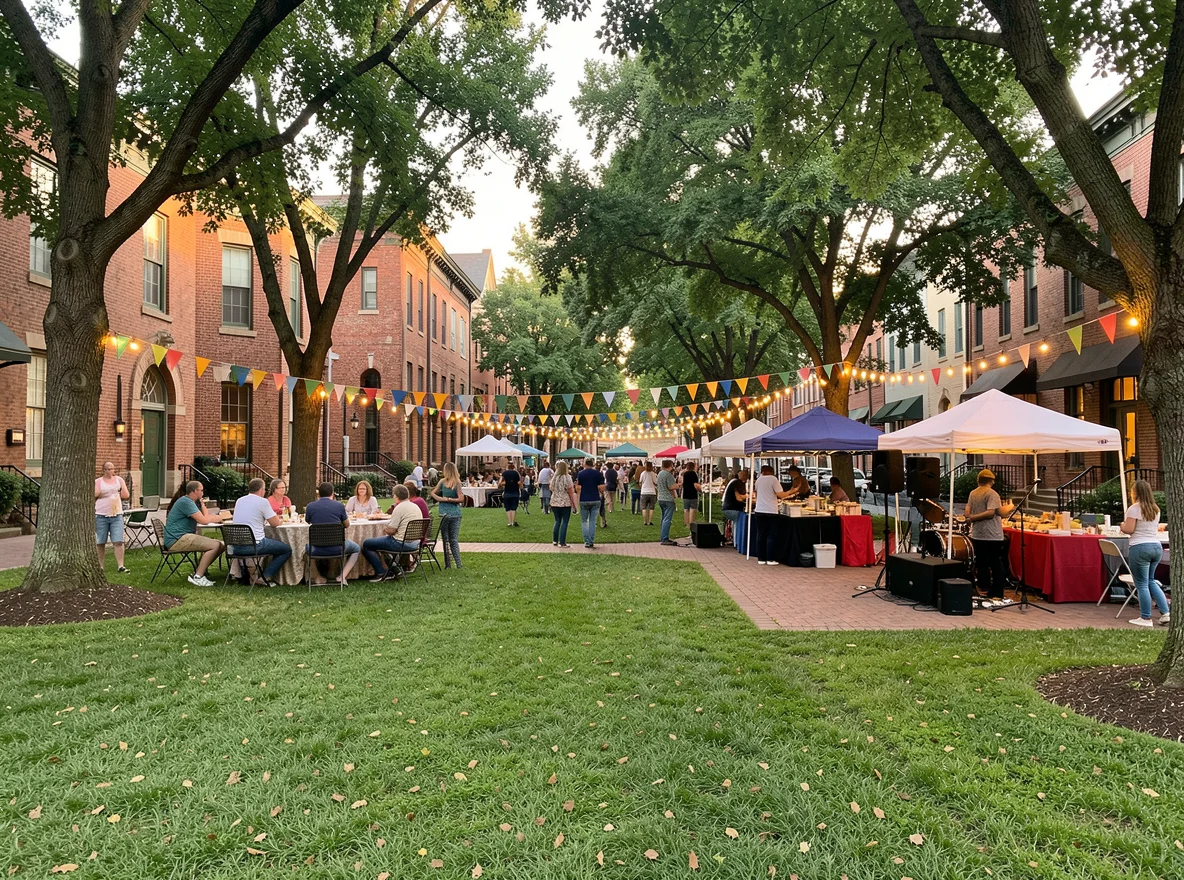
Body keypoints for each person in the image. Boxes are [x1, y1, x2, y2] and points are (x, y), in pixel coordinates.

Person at [1120, 479, 1170, 627]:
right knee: (1150, 581)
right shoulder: (1155, 508)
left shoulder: (1134, 508)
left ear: (1135, 492)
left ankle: (1145, 617)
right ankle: (1165, 612)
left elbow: (1129, 529)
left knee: (1141, 583)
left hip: (1140, 547)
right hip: (1156, 546)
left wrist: (1121, 525)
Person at [229, 478, 293, 586]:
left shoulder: (239, 500)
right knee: (286, 550)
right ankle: (265, 576)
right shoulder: (263, 502)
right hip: (255, 545)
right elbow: (275, 523)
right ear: (261, 490)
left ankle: (250, 575)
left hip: (236, 546)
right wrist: (281, 520)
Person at [163, 480, 227, 586]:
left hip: (183, 537)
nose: (203, 493)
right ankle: (198, 576)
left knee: (222, 545)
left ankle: (200, 571)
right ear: (194, 491)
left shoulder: (191, 502)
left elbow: (205, 516)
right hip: (177, 539)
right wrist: (220, 517)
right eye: (201, 491)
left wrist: (202, 503)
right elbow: (203, 521)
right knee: (215, 545)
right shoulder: (186, 502)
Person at [963, 468, 1015, 599]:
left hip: (977, 533)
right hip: (992, 534)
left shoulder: (973, 493)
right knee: (995, 562)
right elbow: (991, 513)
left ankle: (983, 586)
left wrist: (970, 517)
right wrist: (1009, 507)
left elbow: (967, 511)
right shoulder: (992, 494)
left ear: (978, 480)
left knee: (982, 562)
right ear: (991, 481)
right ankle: (997, 591)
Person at [361, 484, 423, 581]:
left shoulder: (399, 508)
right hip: (415, 543)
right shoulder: (415, 506)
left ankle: (381, 572)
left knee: (367, 544)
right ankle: (395, 569)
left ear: (396, 496)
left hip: (400, 543)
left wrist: (385, 529)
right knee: (381, 543)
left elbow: (392, 531)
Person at [304, 481, 360, 584]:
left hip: (317, 547)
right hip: (338, 547)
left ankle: (317, 577)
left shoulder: (310, 506)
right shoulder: (339, 506)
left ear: (318, 494)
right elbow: (347, 525)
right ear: (332, 493)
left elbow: (308, 521)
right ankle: (342, 576)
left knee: (307, 549)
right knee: (356, 548)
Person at [752, 465, 796, 564]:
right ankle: (770, 558)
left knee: (760, 534)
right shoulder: (773, 479)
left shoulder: (758, 480)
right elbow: (780, 495)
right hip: (770, 510)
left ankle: (761, 558)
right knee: (771, 534)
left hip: (759, 510)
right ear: (772, 471)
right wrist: (791, 491)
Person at [94, 461, 131, 573]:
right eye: (108, 469)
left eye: (112, 469)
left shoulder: (119, 480)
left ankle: (121, 565)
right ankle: (100, 566)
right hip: (101, 514)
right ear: (104, 470)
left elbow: (126, 495)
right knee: (100, 541)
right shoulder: (98, 481)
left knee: (118, 540)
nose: (111, 471)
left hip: (116, 514)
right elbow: (96, 494)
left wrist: (117, 492)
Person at [430, 463, 464, 569]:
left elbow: (432, 493)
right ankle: (458, 564)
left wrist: (442, 499)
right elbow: (461, 499)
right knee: (453, 539)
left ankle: (448, 564)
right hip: (455, 513)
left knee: (446, 539)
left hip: (444, 513)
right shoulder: (457, 483)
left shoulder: (443, 482)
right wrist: (450, 500)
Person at [576, 459, 606, 548]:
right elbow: (602, 487)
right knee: (592, 521)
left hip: (584, 499)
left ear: (585, 464)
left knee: (584, 521)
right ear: (592, 464)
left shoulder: (581, 474)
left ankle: (586, 541)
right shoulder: (598, 474)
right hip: (595, 499)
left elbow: (578, 487)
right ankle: (591, 540)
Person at [550, 461, 577, 547]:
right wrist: (574, 504)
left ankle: (555, 540)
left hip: (554, 501)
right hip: (565, 502)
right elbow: (571, 491)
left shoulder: (554, 478)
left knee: (557, 520)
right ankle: (562, 542)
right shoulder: (567, 477)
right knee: (565, 522)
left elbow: (551, 488)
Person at [721, 470, 749, 545]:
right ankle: (737, 543)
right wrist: (748, 496)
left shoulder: (733, 481)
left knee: (735, 523)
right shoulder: (737, 483)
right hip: (732, 508)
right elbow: (739, 497)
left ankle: (735, 542)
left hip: (726, 508)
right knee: (737, 523)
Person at [656, 459, 679, 546]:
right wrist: (679, 485)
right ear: (670, 466)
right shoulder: (668, 475)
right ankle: (665, 538)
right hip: (668, 499)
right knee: (667, 519)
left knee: (663, 518)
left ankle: (663, 536)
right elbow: (671, 486)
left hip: (661, 498)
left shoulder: (660, 474)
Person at [680, 463, 701, 527]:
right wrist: (700, 488)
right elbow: (695, 484)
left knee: (686, 509)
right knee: (693, 509)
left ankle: (686, 523)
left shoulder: (685, 474)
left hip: (686, 493)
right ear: (693, 467)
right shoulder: (694, 474)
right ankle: (691, 523)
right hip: (693, 493)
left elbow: (683, 483)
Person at [638, 461, 658, 525]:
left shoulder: (643, 473)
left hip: (644, 492)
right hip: (652, 492)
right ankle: (650, 521)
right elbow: (655, 482)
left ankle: (645, 521)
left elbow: (640, 482)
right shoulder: (653, 474)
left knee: (644, 507)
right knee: (651, 508)